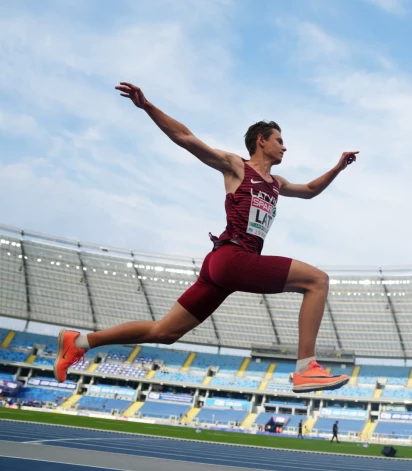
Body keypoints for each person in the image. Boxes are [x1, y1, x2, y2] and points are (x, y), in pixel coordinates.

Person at [53, 82, 357, 394]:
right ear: (261, 141)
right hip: (234, 257)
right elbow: (186, 139)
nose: (285, 147)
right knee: (316, 281)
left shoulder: (277, 183)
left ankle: (79, 341)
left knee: (165, 331)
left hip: (221, 267)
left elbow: (308, 191)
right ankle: (306, 367)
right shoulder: (237, 166)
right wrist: (148, 107)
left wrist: (337, 167)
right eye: (280, 140)